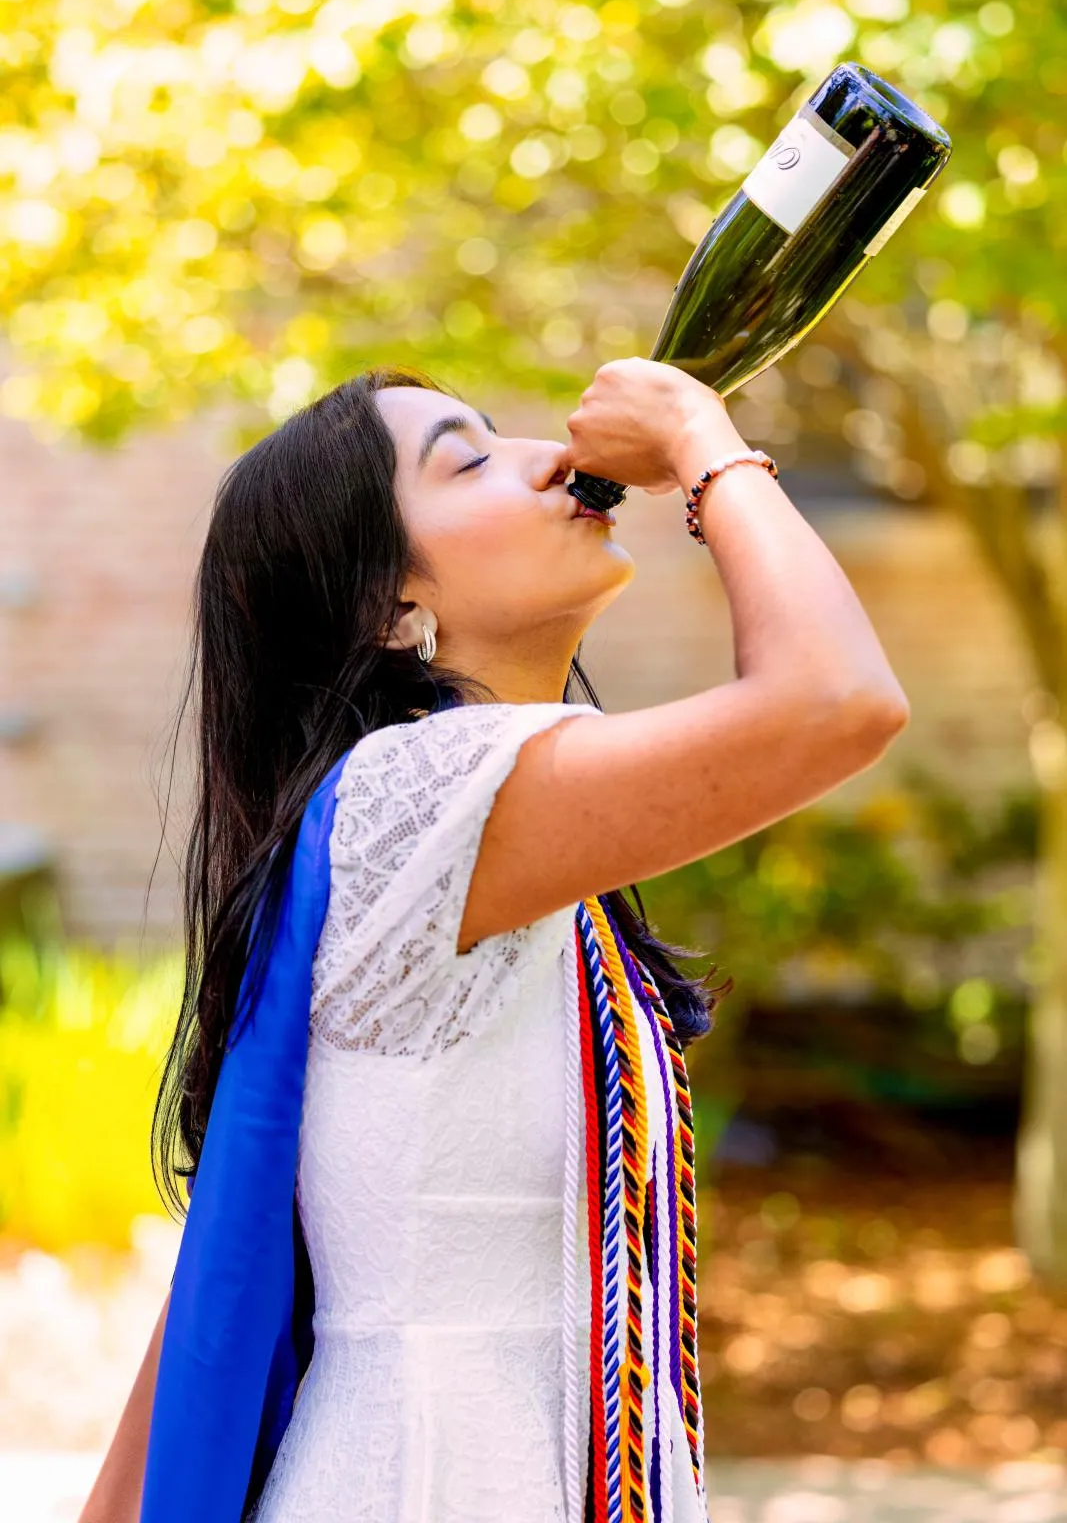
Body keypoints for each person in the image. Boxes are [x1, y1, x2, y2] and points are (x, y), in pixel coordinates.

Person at [79, 356, 908, 1523]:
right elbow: (837, 700)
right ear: (389, 605)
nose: (552, 459)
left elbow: (248, 1261)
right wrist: (699, 436)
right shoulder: (411, 799)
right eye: (467, 461)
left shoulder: (489, 843)